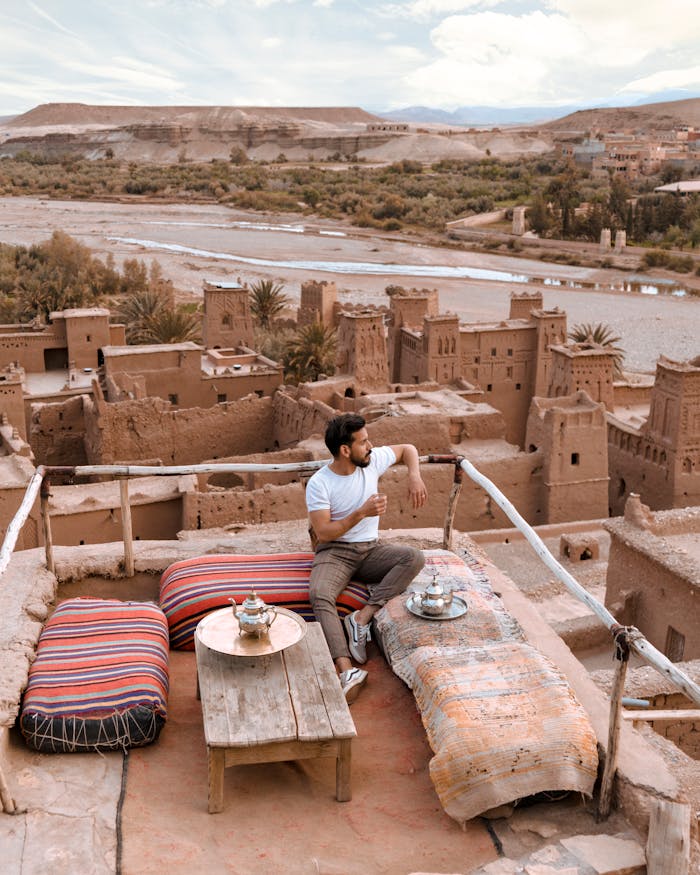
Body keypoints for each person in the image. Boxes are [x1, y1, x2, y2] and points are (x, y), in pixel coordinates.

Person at [305, 413, 428, 702]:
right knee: (319, 593)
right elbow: (324, 533)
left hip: (371, 550)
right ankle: (346, 669)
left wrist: (414, 475)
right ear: (345, 450)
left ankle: (361, 618)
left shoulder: (371, 461)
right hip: (335, 553)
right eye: (363, 442)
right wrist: (362, 512)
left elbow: (407, 449)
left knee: (413, 558)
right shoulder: (320, 483)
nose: (370, 446)